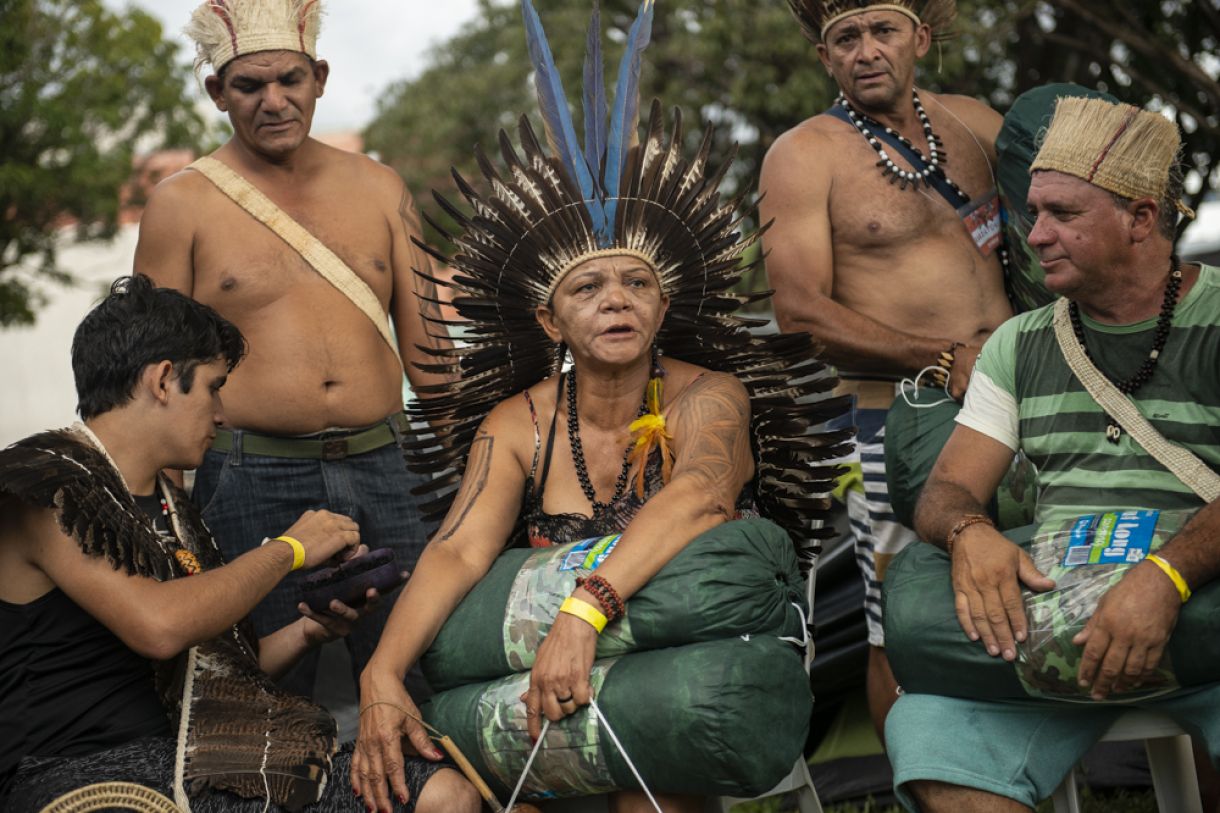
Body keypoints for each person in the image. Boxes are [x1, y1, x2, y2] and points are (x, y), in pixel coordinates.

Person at [350, 2, 846, 810]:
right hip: (552, 690)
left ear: (661, 305)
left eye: (637, 283)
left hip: (683, 674)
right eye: (588, 286)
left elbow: (698, 496)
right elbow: (456, 551)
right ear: (550, 318)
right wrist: (380, 669)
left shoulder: (708, 396)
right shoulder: (520, 423)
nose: (617, 300)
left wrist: (584, 611)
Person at [0, 276, 479, 812]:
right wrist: (289, 549)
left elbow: (214, 670)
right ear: (162, 381)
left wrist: (308, 631)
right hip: (80, 777)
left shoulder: (171, 505)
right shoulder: (45, 483)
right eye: (212, 387)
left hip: (203, 762)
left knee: (443, 795)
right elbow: (159, 628)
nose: (222, 413)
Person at [886, 96, 1220, 811]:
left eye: (1063, 213)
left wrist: (1164, 578)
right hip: (1054, 618)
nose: (1034, 235)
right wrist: (968, 532)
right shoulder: (1019, 343)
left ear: (1140, 218)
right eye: (1032, 211)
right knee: (925, 725)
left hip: (1198, 599)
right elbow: (947, 489)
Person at [133, 0, 449, 700]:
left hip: (392, 465)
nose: (274, 101)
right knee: (259, 694)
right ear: (218, 92)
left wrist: (480, 473)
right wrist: (159, 506)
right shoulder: (180, 204)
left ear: (320, 78)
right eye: (250, 86)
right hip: (249, 476)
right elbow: (150, 372)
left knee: (426, 671)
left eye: (290, 80)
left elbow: (433, 355)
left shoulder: (381, 187)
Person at [760, 0, 1015, 735]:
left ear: (920, 38)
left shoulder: (974, 124)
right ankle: (921, 778)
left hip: (1015, 399)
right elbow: (801, 312)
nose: (867, 50)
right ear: (826, 59)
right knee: (900, 618)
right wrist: (942, 357)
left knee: (1026, 567)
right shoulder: (803, 154)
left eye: (884, 31)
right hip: (892, 416)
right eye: (847, 38)